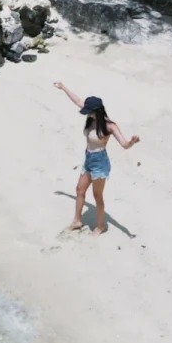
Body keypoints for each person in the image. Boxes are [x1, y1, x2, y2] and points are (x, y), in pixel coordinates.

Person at [53, 81, 140, 235]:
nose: (87, 113)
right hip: (88, 159)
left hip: (100, 162)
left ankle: (100, 226)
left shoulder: (109, 126)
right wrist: (64, 87)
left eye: (89, 111)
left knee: (97, 196)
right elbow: (78, 100)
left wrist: (131, 142)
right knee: (79, 190)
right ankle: (77, 221)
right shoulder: (91, 117)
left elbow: (124, 144)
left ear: (97, 111)